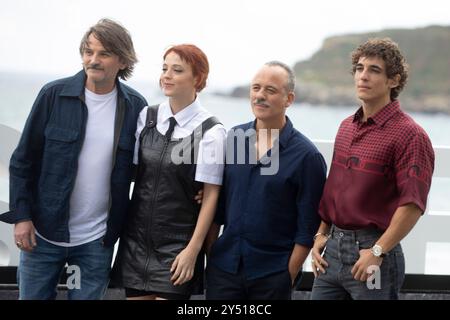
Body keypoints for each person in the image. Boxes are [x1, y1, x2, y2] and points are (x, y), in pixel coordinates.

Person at [0, 19, 148, 300]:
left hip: (96, 241)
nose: (93, 60)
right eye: (88, 51)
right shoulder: (53, 95)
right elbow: (23, 161)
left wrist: (194, 187)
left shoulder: (135, 107)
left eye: (103, 53)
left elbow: (146, 169)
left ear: (122, 60)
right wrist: (22, 217)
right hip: (41, 236)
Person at [310, 38, 435, 300]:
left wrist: (377, 251)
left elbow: (412, 205)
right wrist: (321, 235)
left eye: (374, 70)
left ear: (394, 80)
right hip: (331, 253)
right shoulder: (346, 127)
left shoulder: (410, 135)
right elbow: (334, 189)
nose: (363, 76)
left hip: (374, 253)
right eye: (359, 68)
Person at [111, 44, 226, 300]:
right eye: (164, 69)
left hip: (179, 244)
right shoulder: (147, 117)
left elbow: (210, 196)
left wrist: (192, 251)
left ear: (197, 79)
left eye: (177, 70)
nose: (166, 75)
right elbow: (132, 173)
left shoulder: (211, 131)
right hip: (136, 241)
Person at [205, 61, 327, 300]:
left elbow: (307, 226)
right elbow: (217, 207)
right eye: (256, 88)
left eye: (270, 90)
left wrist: (288, 276)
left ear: (288, 99)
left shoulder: (306, 157)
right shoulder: (234, 139)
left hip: (272, 276)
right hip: (224, 271)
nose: (260, 96)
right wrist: (212, 256)